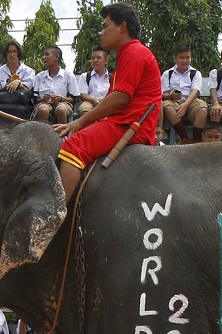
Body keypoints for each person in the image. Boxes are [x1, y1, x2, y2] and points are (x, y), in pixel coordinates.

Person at [54, 3, 161, 203]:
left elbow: (120, 99)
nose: (101, 32)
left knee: (73, 146)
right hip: (125, 121)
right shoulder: (129, 53)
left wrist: (79, 122)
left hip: (129, 125)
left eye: (105, 26)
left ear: (122, 27)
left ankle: (55, 215)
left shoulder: (134, 53)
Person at [160, 46, 207, 144]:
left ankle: (196, 139)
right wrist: (170, 96)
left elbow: (195, 91)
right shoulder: (167, 74)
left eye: (187, 57)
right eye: (181, 58)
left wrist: (185, 105)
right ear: (175, 58)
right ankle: (185, 138)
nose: (185, 60)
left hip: (191, 100)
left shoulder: (195, 73)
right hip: (174, 101)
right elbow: (164, 93)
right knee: (167, 106)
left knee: (202, 109)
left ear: (191, 58)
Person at [33, 46, 78, 125]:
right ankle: (42, 135)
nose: (44, 58)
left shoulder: (68, 76)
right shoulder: (39, 76)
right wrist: (43, 99)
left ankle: (63, 135)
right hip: (44, 104)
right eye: (43, 55)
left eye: (47, 55)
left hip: (63, 103)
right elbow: (34, 99)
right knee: (43, 110)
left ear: (56, 57)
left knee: (61, 109)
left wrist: (61, 99)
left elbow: (74, 99)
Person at [76, 48, 111, 117]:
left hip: (107, 102)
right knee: (85, 109)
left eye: (99, 58)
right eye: (92, 58)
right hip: (89, 102)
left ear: (106, 61)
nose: (95, 60)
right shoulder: (85, 76)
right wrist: (93, 100)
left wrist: (104, 101)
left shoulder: (112, 77)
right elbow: (83, 94)